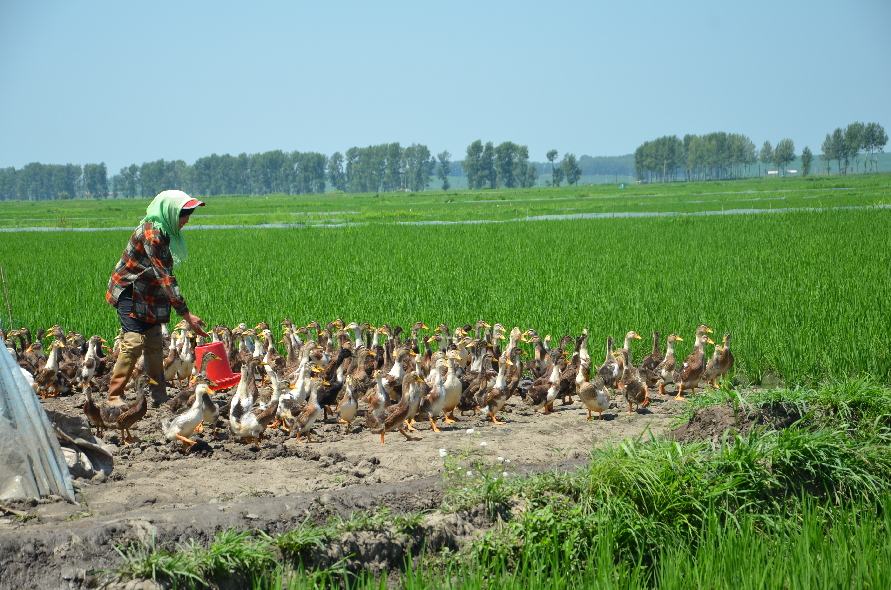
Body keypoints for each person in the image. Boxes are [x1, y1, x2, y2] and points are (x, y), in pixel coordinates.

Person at [105, 190, 209, 406]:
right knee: (133, 343)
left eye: (188, 215)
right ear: (170, 213)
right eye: (183, 216)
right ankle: (114, 395)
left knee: (153, 343)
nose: (186, 221)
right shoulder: (154, 236)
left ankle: (159, 396)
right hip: (130, 290)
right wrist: (187, 315)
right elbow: (165, 277)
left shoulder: (164, 230)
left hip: (148, 293)